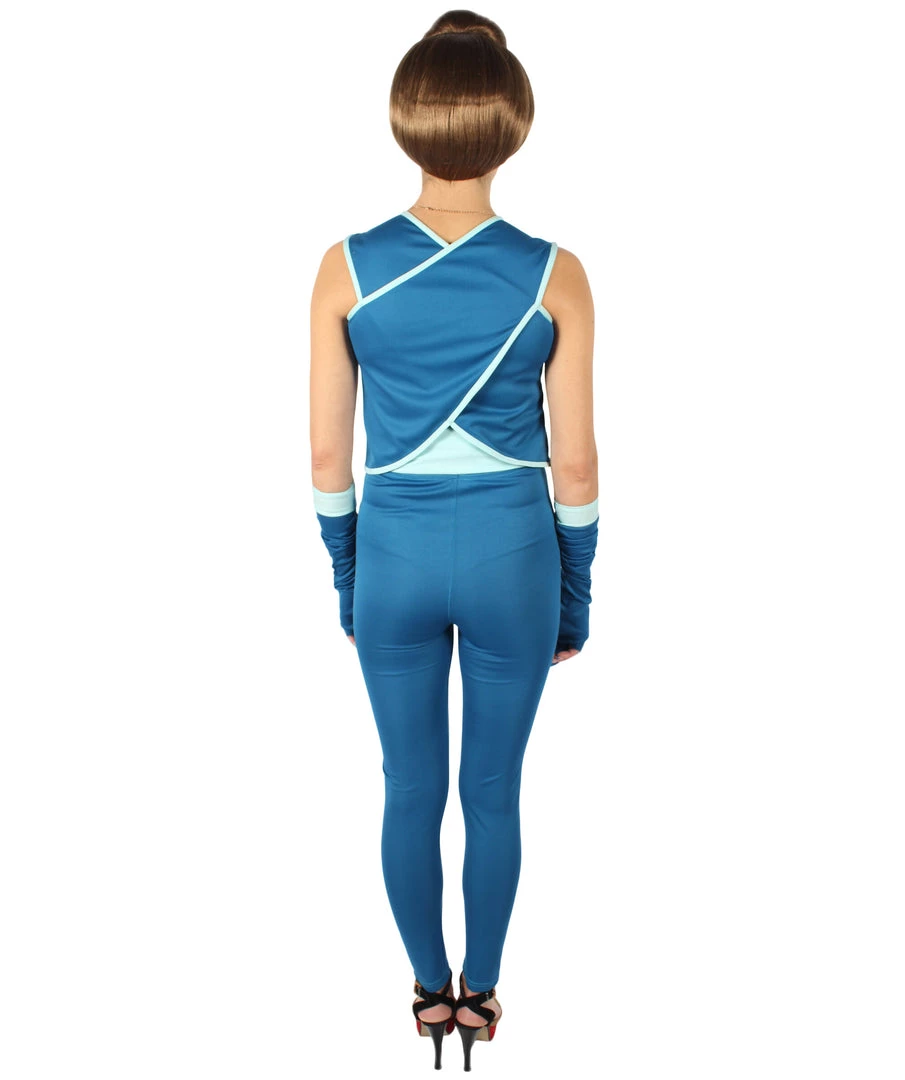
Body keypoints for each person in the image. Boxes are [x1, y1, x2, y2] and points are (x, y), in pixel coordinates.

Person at [309, 11, 598, 1071]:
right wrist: (574, 596)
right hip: (513, 558)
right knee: (491, 794)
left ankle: (428, 994)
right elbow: (576, 468)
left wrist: (348, 579)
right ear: (510, 126)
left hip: (392, 554)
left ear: (408, 121)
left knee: (408, 788)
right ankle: (483, 995)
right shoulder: (555, 274)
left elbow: (327, 458)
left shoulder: (343, 269)